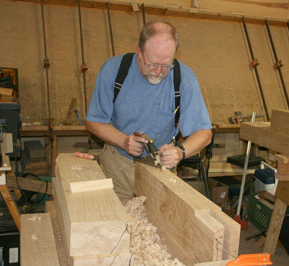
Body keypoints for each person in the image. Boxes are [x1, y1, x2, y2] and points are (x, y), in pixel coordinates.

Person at [86, 21, 212, 202]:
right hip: (118, 165)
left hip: (160, 168)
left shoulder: (184, 78)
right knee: (115, 222)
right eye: (152, 64)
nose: (159, 72)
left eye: (166, 65)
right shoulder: (114, 71)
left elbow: (205, 133)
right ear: (139, 51)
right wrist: (123, 141)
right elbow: (94, 121)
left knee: (159, 224)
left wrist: (179, 152)